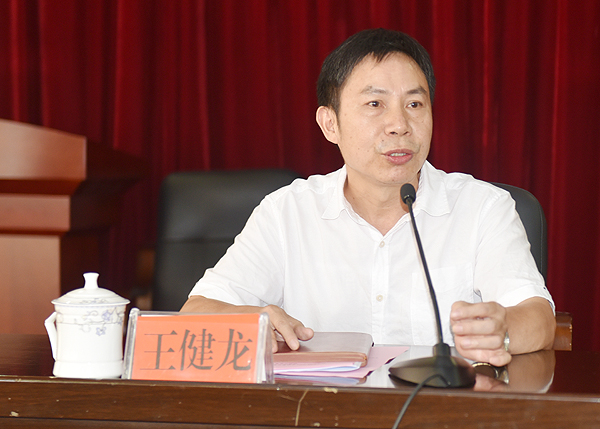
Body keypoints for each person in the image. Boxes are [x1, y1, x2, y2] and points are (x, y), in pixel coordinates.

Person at [181, 28, 556, 367]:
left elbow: (538, 318)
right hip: (318, 409)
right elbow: (196, 311)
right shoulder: (286, 212)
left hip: (441, 410)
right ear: (330, 124)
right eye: (375, 104)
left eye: (414, 104)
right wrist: (252, 320)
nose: (399, 125)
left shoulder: (483, 208)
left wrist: (504, 330)